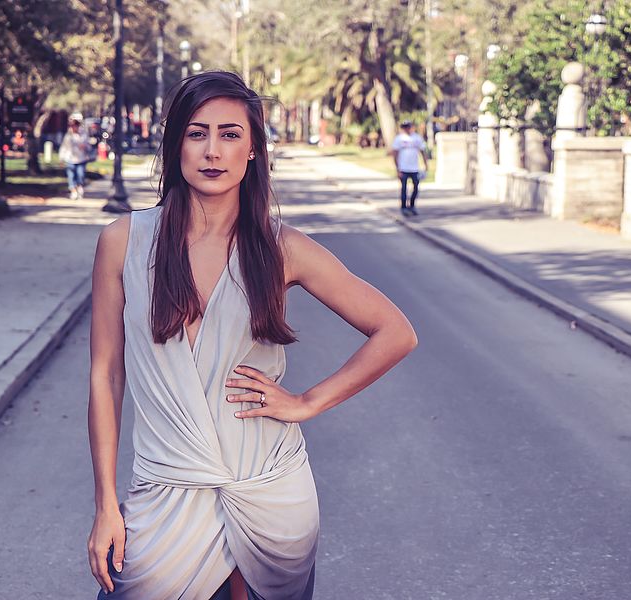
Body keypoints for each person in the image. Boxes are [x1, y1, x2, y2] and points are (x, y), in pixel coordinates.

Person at [87, 71, 418, 599]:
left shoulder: (282, 248)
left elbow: (395, 332)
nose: (212, 150)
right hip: (165, 494)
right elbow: (106, 375)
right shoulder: (123, 242)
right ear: (175, 146)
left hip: (269, 492)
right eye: (196, 133)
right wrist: (107, 502)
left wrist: (308, 402)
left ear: (254, 150)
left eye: (230, 134)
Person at [390, 120, 429, 216]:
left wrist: (425, 164)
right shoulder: (399, 139)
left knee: (416, 187)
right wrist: (397, 168)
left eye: (408, 126)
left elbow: (423, 151)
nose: (406, 129)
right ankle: (403, 208)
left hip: (414, 168)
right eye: (404, 127)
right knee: (403, 189)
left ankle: (412, 206)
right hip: (403, 168)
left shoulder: (417, 138)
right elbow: (395, 154)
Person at [59, 112, 93, 200]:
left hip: (81, 158)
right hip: (70, 158)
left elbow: (89, 146)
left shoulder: (84, 134)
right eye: (72, 125)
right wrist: (61, 158)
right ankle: (73, 191)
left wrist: (85, 147)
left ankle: (79, 187)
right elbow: (64, 147)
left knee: (80, 175)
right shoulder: (68, 135)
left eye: (75, 125)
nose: (73, 127)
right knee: (71, 176)